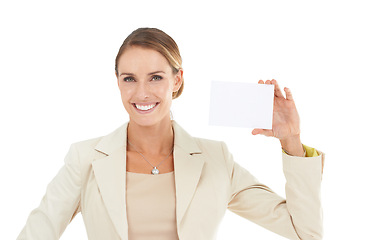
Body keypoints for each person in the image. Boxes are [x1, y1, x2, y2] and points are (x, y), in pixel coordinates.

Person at [17, 27, 325, 240]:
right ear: (117, 81)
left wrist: (291, 140)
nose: (141, 92)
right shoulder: (85, 159)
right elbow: (37, 232)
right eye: (129, 78)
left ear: (177, 80)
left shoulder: (216, 159)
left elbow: (305, 232)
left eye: (155, 77)